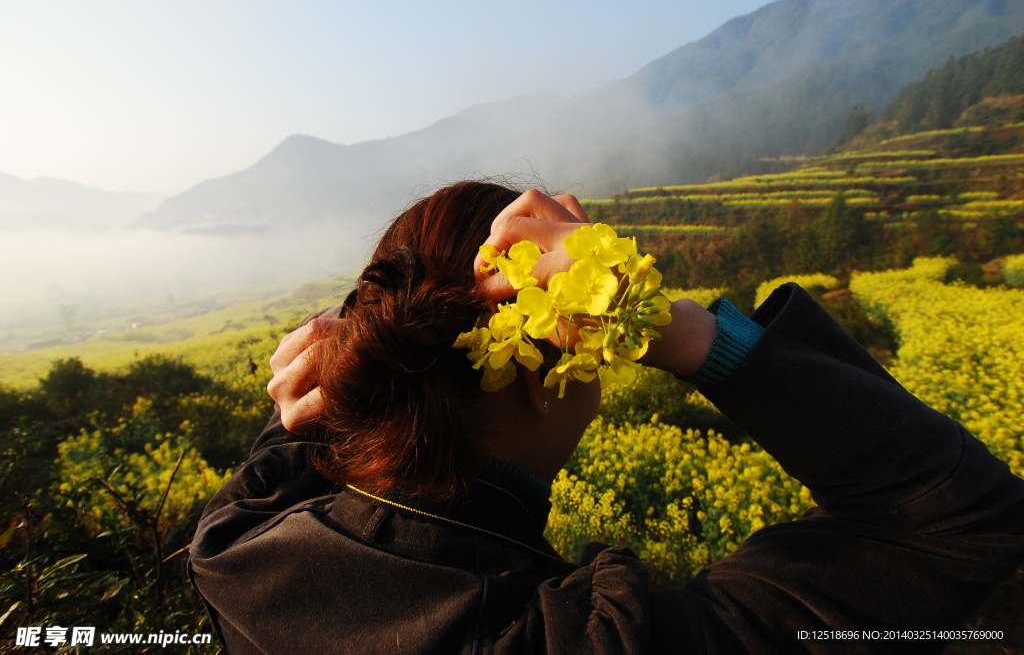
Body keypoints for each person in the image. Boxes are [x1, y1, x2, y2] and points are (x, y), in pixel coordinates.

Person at [189, 182, 1024, 654]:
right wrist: (682, 327)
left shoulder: (239, 545)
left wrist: (348, 351)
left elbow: (318, 406)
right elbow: (961, 518)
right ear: (550, 377)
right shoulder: (596, 643)